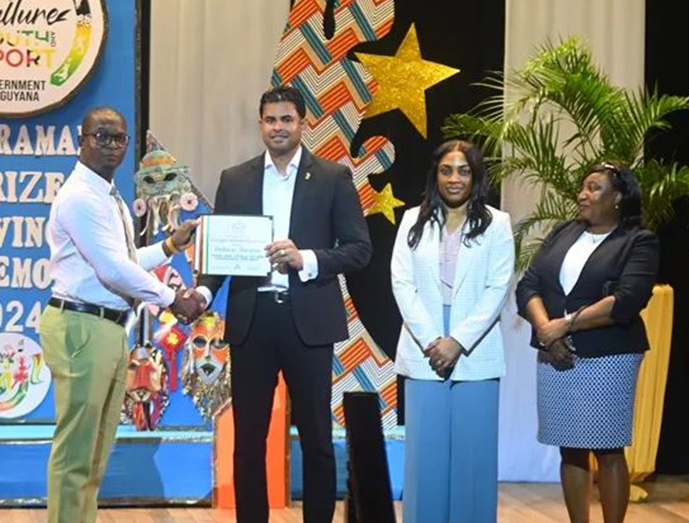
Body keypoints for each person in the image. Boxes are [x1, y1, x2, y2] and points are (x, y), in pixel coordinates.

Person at [192, 85, 372, 523]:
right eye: (270, 120)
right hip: (252, 322)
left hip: (307, 320)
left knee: (315, 437)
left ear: (302, 123)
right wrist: (201, 292)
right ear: (260, 125)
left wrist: (305, 258)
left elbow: (358, 250)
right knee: (249, 439)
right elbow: (221, 252)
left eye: (286, 119)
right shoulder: (235, 179)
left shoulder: (332, 177)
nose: (278, 127)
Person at [40, 106, 202, 523]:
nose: (111, 146)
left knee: (95, 453)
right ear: (82, 139)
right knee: (76, 453)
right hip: (81, 326)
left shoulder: (107, 195)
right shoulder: (80, 197)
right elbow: (113, 270)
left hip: (108, 328)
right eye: (101, 136)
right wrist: (172, 300)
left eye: (118, 138)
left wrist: (169, 247)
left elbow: (124, 259)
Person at [516, 162, 659, 523]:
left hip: (608, 354)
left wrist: (564, 326)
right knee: (570, 449)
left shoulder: (638, 241)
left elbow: (627, 300)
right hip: (555, 353)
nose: (582, 194)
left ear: (618, 198)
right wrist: (546, 330)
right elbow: (528, 285)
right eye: (582, 187)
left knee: (608, 449)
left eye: (594, 188)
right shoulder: (565, 231)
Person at [391, 140, 514, 523]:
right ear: (435, 175)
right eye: (447, 170)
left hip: (475, 349)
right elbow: (401, 282)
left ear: (475, 176)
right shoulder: (413, 219)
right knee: (425, 458)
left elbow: (499, 286)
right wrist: (433, 340)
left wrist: (457, 341)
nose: (455, 178)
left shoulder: (498, 223)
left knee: (472, 458)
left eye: (463, 170)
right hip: (423, 346)